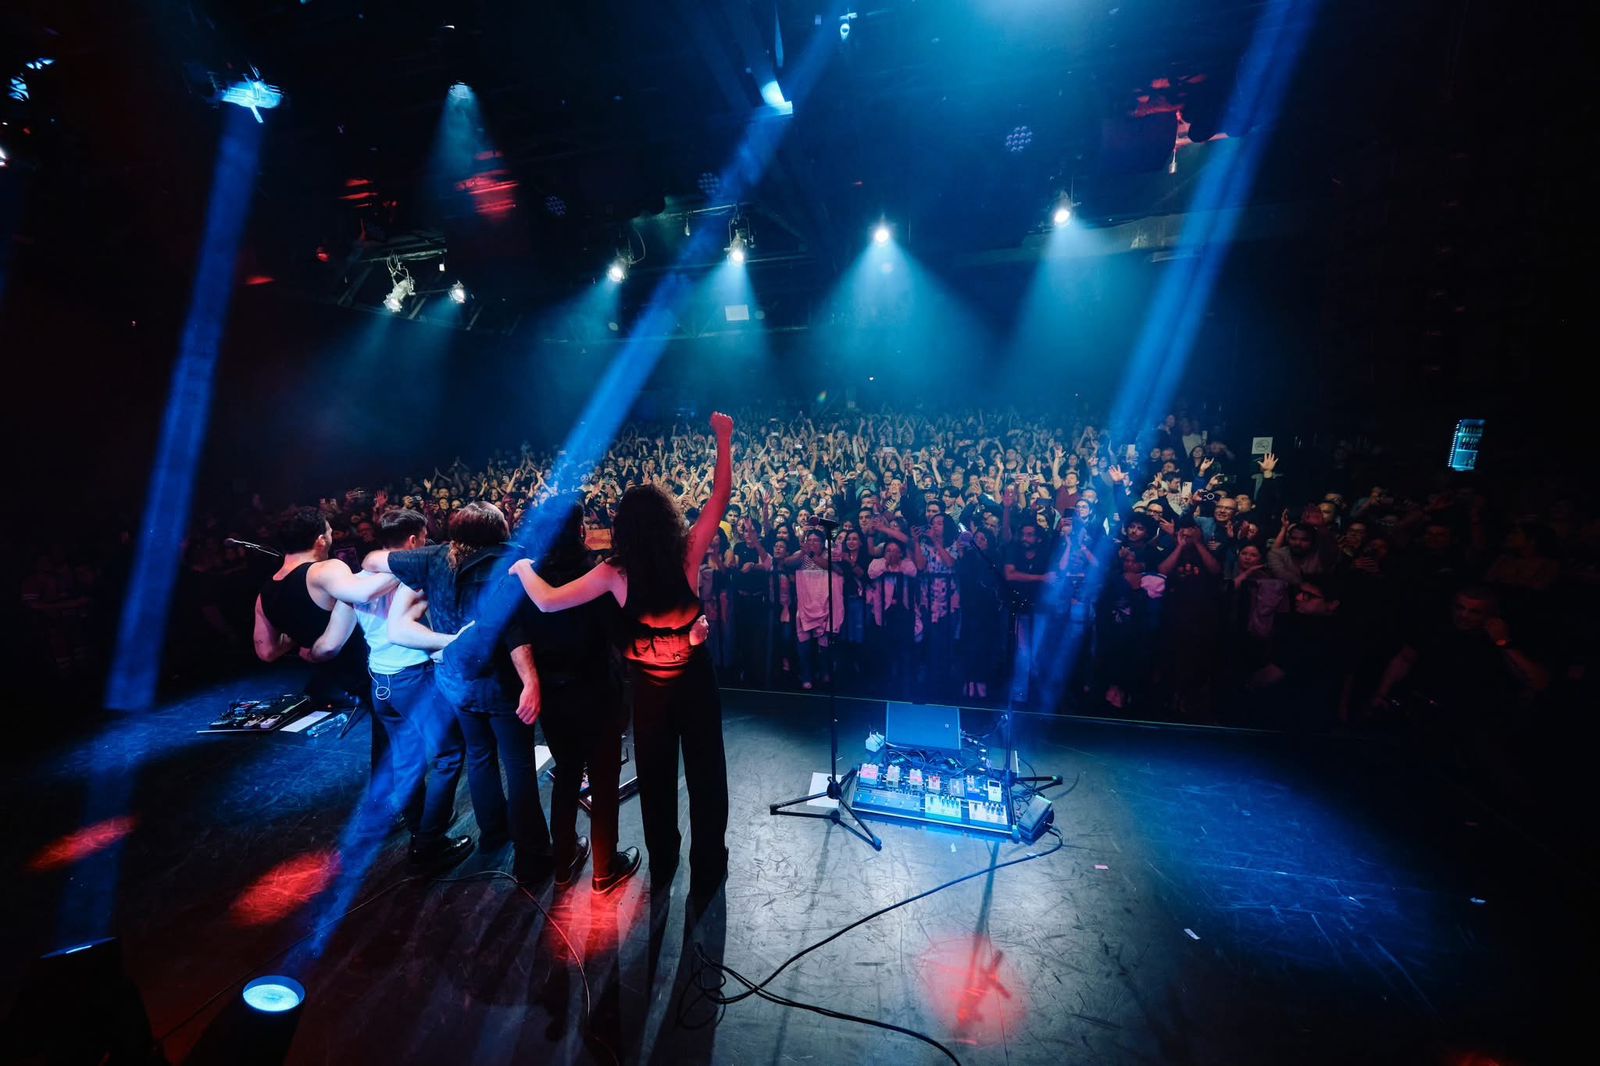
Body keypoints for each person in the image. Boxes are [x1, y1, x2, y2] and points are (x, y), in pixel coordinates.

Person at [509, 412, 735, 898]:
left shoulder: (614, 572)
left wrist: (524, 569)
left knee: (655, 779)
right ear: (669, 520)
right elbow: (720, 498)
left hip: (651, 690)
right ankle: (709, 863)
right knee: (706, 773)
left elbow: (547, 600)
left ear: (624, 528)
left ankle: (665, 860)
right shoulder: (688, 555)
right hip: (694, 681)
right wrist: (724, 439)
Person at [368, 503, 554, 884]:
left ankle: (493, 836)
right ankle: (532, 856)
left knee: (480, 757)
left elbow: (374, 560)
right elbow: (513, 630)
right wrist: (531, 681)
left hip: (453, 678)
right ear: (497, 530)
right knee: (517, 764)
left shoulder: (436, 556)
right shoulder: (507, 562)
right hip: (498, 680)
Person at [519, 496, 640, 894]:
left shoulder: (528, 577)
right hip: (597, 690)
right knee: (604, 780)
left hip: (554, 694)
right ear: (580, 529)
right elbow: (620, 638)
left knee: (567, 774)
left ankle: (564, 862)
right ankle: (605, 869)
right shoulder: (596, 573)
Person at [254, 506, 400, 825]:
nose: (333, 537)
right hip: (370, 666)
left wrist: (301, 641)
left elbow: (266, 651)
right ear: (320, 539)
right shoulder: (326, 570)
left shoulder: (266, 592)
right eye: (331, 531)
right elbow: (359, 597)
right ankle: (388, 809)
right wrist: (403, 561)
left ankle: (389, 805)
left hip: (341, 675)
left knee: (387, 727)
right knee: (397, 731)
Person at [355, 509, 471, 869]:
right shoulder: (410, 579)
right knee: (450, 755)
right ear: (412, 542)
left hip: (381, 681)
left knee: (407, 759)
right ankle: (428, 843)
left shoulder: (360, 580)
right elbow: (407, 628)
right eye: (423, 538)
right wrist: (455, 640)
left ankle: (421, 827)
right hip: (412, 678)